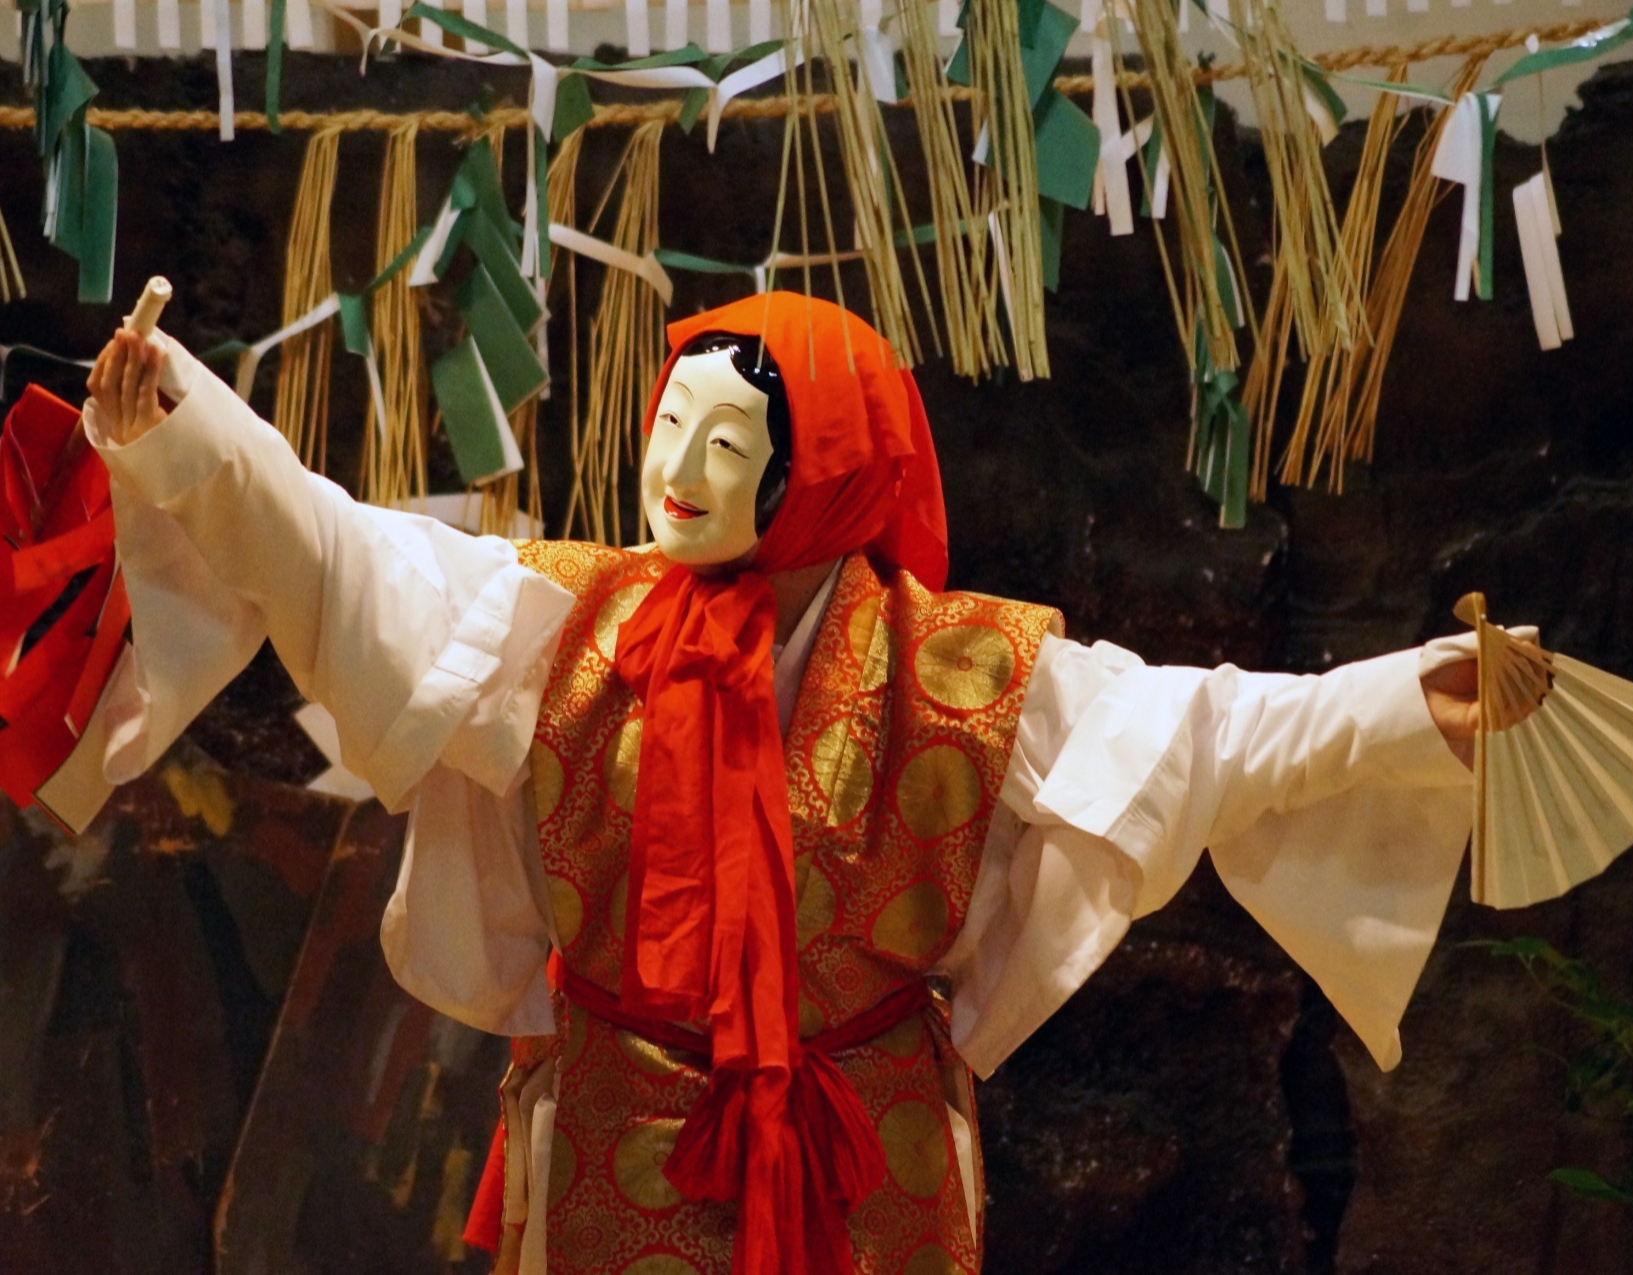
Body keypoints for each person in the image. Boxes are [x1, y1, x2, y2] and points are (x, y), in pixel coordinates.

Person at [85, 292, 1495, 1275]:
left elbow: (1204, 738)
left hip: (860, 1140)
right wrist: (185, 428)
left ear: (823, 469)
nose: (678, 472)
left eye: (727, 443)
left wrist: (1402, 700)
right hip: (615, 1130)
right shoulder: (557, 621)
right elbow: (328, 552)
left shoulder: (965, 668)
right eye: (670, 425)